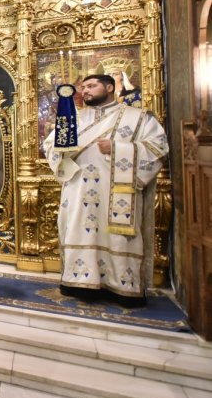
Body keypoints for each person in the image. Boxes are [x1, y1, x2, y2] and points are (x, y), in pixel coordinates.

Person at [45, 74, 167, 307]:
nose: (86, 91)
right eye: (84, 87)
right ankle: (78, 281)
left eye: (92, 86)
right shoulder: (73, 118)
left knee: (118, 238)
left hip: (117, 191)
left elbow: (158, 148)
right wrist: (63, 152)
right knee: (79, 230)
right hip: (79, 189)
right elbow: (50, 145)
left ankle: (121, 285)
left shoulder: (137, 117)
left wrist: (118, 148)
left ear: (109, 87)